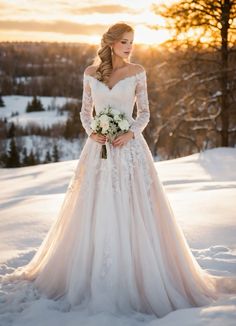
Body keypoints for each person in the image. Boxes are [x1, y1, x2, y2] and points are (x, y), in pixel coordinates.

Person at [1, 22, 236, 319]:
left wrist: (131, 133)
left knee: (133, 206)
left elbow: (146, 113)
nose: (130, 46)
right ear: (111, 43)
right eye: (124, 41)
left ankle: (137, 270)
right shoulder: (90, 74)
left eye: (132, 42)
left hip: (129, 151)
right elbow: (86, 113)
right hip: (98, 151)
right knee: (94, 206)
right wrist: (91, 132)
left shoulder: (138, 71)